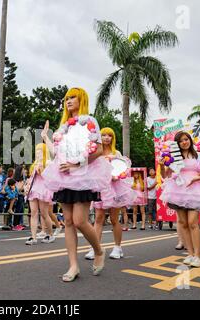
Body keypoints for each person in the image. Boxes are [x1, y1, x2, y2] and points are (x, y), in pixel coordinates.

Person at [42, 88, 112, 282]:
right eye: (66, 98)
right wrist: (46, 137)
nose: (68, 101)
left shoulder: (89, 121)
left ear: (81, 99)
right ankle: (73, 265)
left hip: (83, 174)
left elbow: (98, 149)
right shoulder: (64, 126)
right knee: (69, 222)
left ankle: (98, 250)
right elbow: (56, 154)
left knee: (80, 220)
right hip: (64, 175)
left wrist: (77, 164)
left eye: (72, 97)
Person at [160, 131, 200, 268]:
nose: (184, 142)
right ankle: (190, 254)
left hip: (195, 190)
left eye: (186, 139)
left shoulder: (198, 155)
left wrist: (196, 178)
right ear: (177, 144)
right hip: (177, 190)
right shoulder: (174, 157)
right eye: (181, 141)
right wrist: (161, 164)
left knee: (193, 222)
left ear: (190, 140)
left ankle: (198, 256)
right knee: (182, 223)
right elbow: (166, 174)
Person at [86, 127, 136, 260]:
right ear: (99, 137)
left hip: (115, 188)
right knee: (98, 218)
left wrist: (117, 176)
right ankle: (95, 248)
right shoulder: (95, 152)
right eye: (104, 135)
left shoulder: (116, 153)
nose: (107, 138)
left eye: (110, 135)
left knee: (114, 219)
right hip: (101, 188)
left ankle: (118, 247)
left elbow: (124, 170)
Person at [25, 143, 56, 245]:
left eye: (40, 150)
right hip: (34, 189)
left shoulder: (48, 162)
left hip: (43, 190)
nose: (38, 153)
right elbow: (31, 178)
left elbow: (49, 178)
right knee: (33, 213)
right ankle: (33, 237)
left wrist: (41, 169)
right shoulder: (35, 163)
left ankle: (50, 234)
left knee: (44, 213)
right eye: (37, 150)